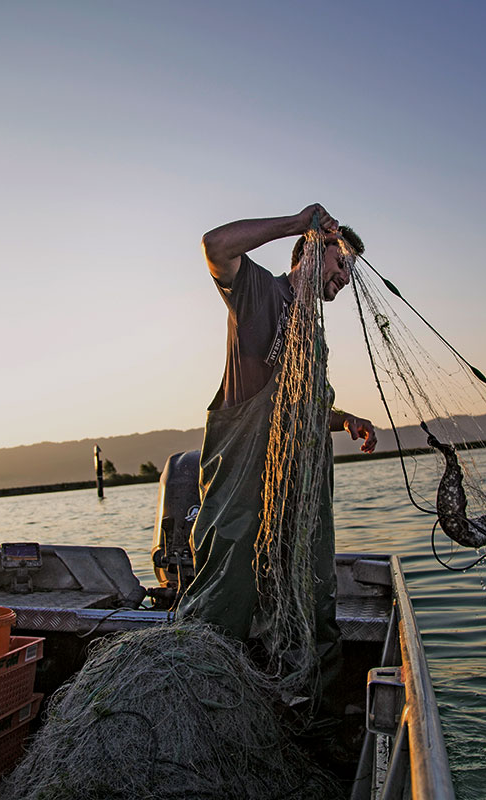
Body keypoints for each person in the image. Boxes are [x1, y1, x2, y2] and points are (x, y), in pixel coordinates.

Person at [176, 203, 377, 716]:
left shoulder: (314, 336)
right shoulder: (261, 293)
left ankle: (310, 723)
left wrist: (345, 419)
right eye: (341, 264)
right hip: (242, 502)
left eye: (350, 272)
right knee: (225, 604)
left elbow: (305, 408)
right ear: (311, 251)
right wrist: (295, 222)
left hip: (299, 508)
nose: (345, 279)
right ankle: (200, 718)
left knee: (313, 601)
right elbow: (215, 245)